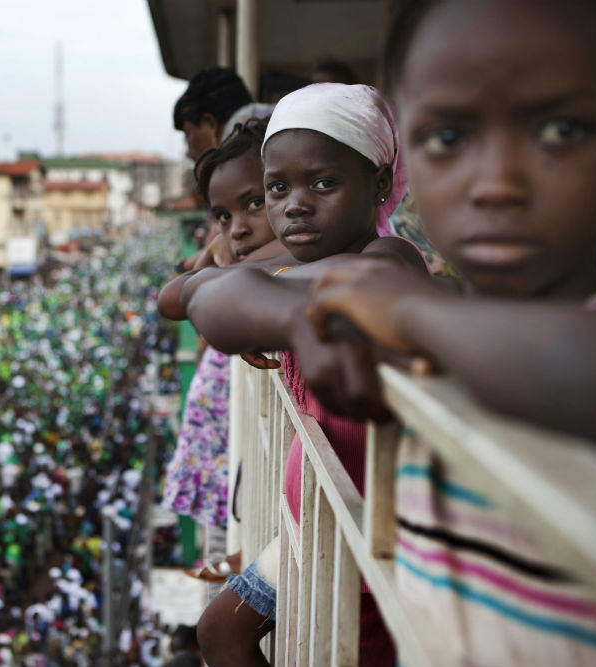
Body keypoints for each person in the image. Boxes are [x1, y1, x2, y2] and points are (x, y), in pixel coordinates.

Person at [301, 0, 596, 663]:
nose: (497, 184)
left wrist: (409, 311)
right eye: (446, 138)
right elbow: (215, 298)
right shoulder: (425, 328)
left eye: (560, 129)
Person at [182, 83, 426, 667]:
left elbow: (218, 297)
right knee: (219, 631)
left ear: (378, 184)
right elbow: (187, 297)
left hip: (362, 547)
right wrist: (257, 299)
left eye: (322, 184)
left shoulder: (391, 258)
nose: (295, 205)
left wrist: (260, 304)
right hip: (313, 527)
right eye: (278, 188)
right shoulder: (301, 264)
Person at [158, 120, 284, 595]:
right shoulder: (254, 261)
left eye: (256, 202)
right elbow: (169, 299)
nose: (240, 229)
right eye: (224, 218)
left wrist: (224, 281)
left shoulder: (321, 264)